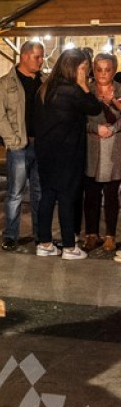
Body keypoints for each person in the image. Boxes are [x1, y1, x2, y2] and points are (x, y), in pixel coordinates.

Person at [32, 48, 101, 260]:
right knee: (67, 197)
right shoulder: (72, 91)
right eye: (84, 68)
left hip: (46, 151)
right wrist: (83, 87)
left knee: (48, 195)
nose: (87, 73)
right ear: (73, 68)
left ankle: (44, 243)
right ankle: (70, 247)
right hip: (67, 152)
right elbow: (94, 108)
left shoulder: (46, 88)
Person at [0, 40, 45, 250]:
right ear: (24, 56)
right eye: (37, 56)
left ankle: (42, 235)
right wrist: (12, 140)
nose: (41, 61)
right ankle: (11, 235)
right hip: (19, 145)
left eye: (41, 56)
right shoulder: (5, 83)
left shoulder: (45, 82)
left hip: (41, 145)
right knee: (15, 192)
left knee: (39, 192)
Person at [83, 53, 121, 255]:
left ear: (113, 70)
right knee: (91, 194)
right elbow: (78, 119)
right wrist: (95, 128)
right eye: (99, 69)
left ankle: (110, 236)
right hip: (92, 147)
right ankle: (91, 234)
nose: (103, 74)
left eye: (107, 70)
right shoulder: (86, 90)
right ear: (93, 70)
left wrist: (113, 129)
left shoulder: (120, 89)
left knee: (112, 195)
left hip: (114, 148)